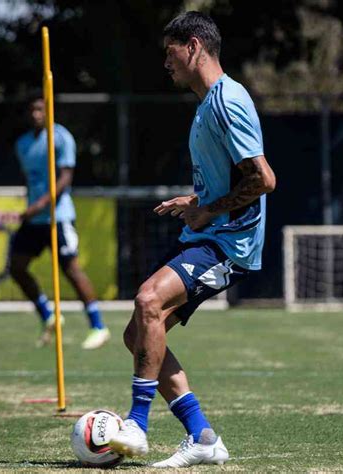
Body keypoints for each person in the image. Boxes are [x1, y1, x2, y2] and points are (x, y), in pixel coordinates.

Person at [108, 11, 276, 468]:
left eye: (170, 52)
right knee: (139, 331)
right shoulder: (207, 104)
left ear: (194, 47)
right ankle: (202, 437)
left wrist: (208, 210)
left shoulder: (227, 101)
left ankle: (136, 427)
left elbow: (263, 179)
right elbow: (232, 179)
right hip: (208, 231)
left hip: (229, 244)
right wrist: (198, 199)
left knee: (147, 302)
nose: (166, 63)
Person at [9, 94, 110, 350]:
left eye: (40, 109)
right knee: (17, 267)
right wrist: (31, 206)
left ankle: (98, 326)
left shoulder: (61, 137)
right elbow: (30, 180)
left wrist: (39, 205)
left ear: (49, 111)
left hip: (58, 216)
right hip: (35, 220)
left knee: (72, 270)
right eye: (32, 109)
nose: (36, 114)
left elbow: (65, 179)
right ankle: (49, 315)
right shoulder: (22, 144)